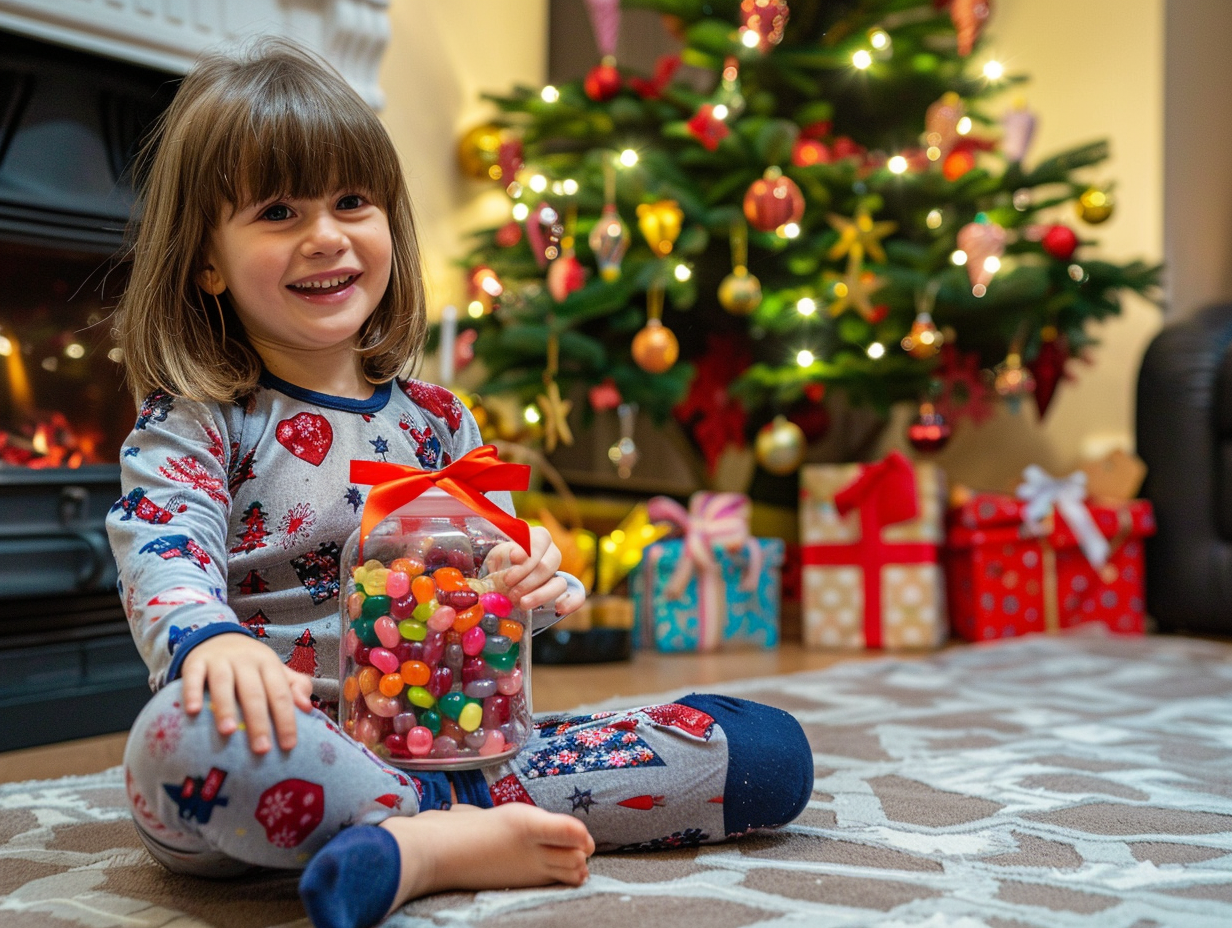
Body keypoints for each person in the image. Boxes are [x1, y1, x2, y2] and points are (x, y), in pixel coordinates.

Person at [107, 40, 814, 928]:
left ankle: (416, 826)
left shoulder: (441, 422)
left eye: (351, 202)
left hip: (458, 745)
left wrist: (534, 584)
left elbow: (487, 615)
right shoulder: (199, 418)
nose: (326, 235)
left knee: (763, 753)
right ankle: (437, 838)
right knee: (172, 749)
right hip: (288, 749)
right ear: (206, 261)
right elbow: (161, 542)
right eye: (279, 211)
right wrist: (207, 642)